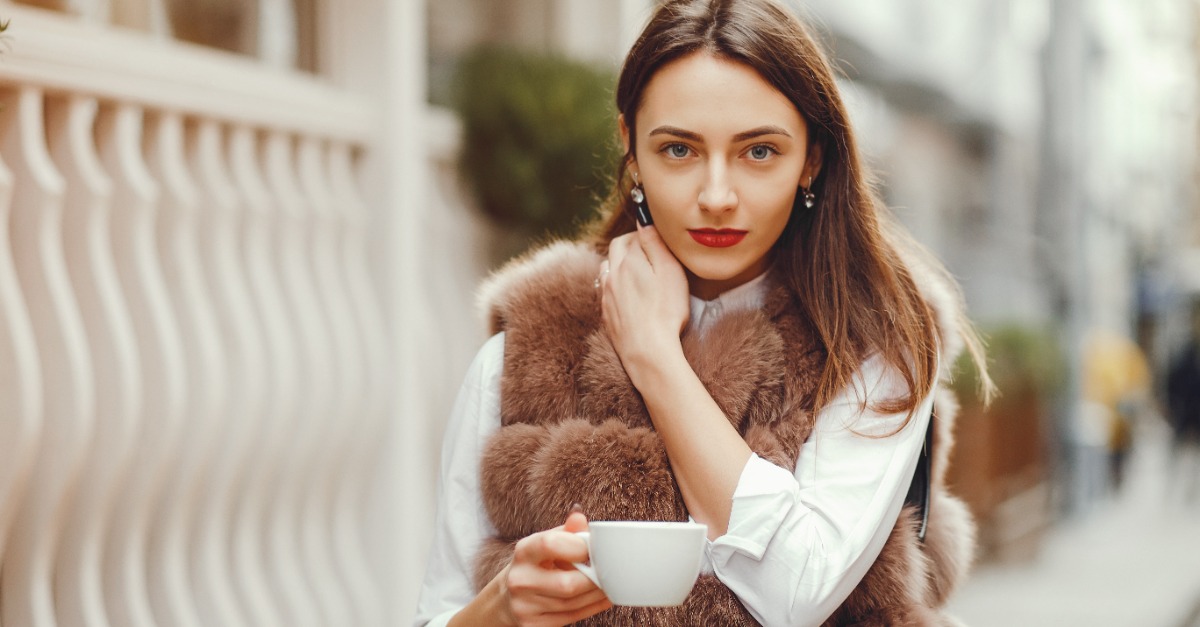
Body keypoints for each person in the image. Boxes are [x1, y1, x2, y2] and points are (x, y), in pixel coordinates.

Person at [415, 0, 992, 625]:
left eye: (760, 152)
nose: (717, 196)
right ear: (631, 150)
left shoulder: (875, 348)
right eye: (679, 150)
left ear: (814, 160)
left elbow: (798, 590)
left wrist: (655, 357)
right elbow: (437, 613)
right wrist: (503, 604)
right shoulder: (527, 348)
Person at [1166, 301, 1200, 503]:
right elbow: (1173, 384)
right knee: (1182, 461)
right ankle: (1178, 497)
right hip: (1187, 416)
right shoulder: (1185, 354)